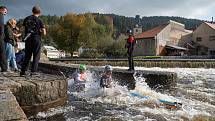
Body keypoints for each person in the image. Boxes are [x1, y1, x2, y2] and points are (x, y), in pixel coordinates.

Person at [20, 6, 46, 76]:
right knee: (36, 55)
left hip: (28, 39)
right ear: (39, 12)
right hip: (36, 39)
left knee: (27, 55)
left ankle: (23, 71)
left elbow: (22, 29)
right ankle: (33, 71)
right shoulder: (39, 20)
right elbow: (44, 32)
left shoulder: (26, 18)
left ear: (32, 11)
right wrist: (41, 32)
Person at [0, 6, 8, 72]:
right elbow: (1, 26)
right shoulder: (1, 15)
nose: (5, 13)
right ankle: (4, 68)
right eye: (5, 11)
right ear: (1, 10)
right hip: (0, 37)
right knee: (2, 52)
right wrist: (2, 35)